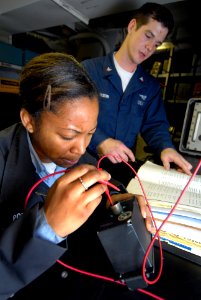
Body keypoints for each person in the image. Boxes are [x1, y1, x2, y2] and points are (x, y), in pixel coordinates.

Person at [0, 52, 153, 300]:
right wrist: (47, 229)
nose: (81, 149)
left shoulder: (77, 154)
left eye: (90, 133)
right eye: (68, 136)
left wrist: (120, 196)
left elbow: (101, 178)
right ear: (29, 120)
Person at [82, 2, 192, 185]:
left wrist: (166, 148)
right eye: (148, 36)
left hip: (123, 172)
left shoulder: (150, 87)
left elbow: (155, 125)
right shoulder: (89, 70)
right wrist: (101, 141)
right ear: (132, 26)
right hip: (85, 164)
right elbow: (70, 119)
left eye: (157, 44)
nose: (150, 47)